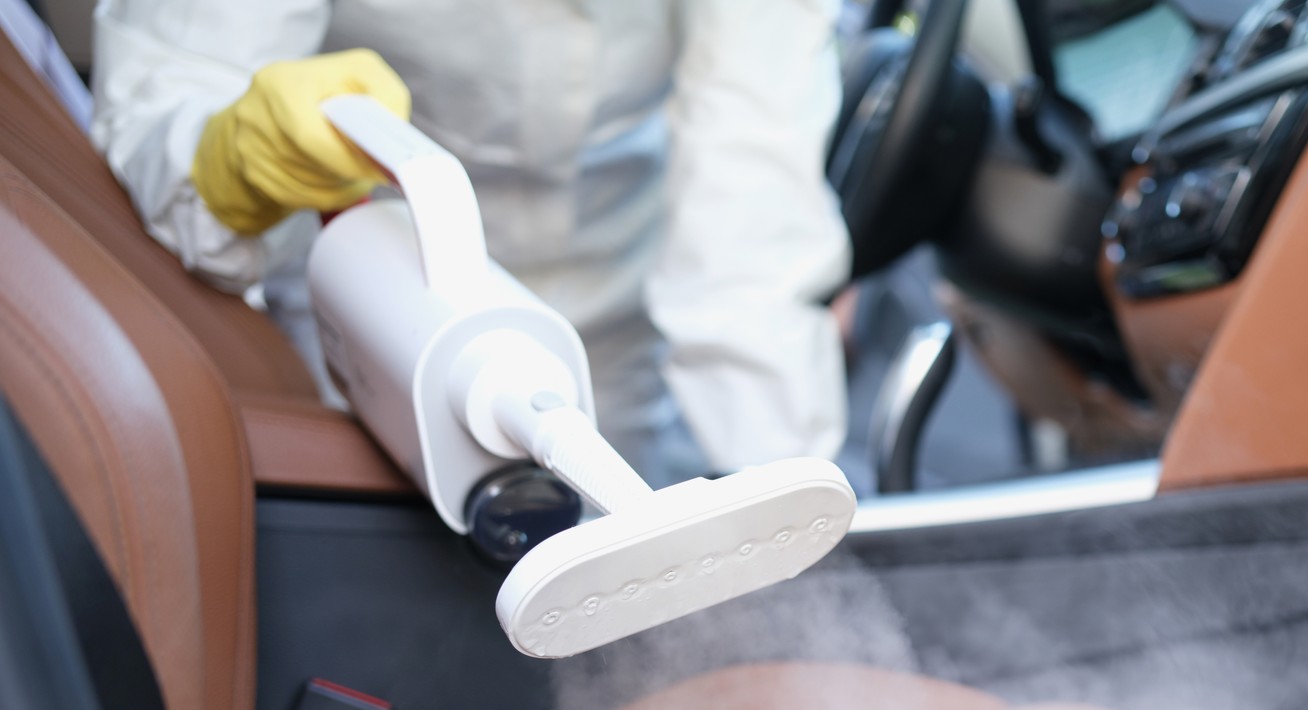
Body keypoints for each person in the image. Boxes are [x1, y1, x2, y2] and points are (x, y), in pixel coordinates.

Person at [89, 0, 852, 486]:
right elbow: (180, 87)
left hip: (619, 308)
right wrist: (231, 164)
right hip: (371, 292)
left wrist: (795, 488)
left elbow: (750, 173)